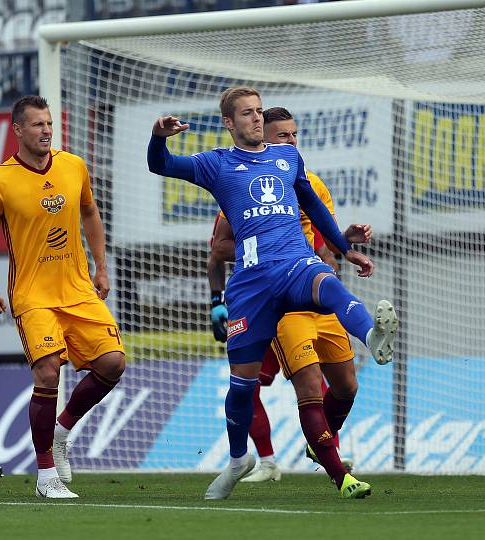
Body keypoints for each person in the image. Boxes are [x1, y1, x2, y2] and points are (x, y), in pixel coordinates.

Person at [147, 86, 398, 500]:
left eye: (259, 111)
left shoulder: (288, 157)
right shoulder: (216, 164)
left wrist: (345, 249)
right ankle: (238, 460)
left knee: (328, 285)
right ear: (229, 122)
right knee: (242, 386)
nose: (256, 119)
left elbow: (314, 208)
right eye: (247, 113)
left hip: (295, 264)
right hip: (251, 283)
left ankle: (372, 336)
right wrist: (158, 137)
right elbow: (162, 166)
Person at [0, 96, 127, 498]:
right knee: (48, 372)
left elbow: (90, 212)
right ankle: (46, 476)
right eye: (37, 125)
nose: (46, 131)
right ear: (17, 130)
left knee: (113, 363)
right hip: (33, 295)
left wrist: (101, 266)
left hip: (77, 289)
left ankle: (62, 430)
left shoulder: (73, 166)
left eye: (49, 123)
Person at [207, 107, 357, 484]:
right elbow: (218, 250)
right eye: (283, 136)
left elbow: (323, 244)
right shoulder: (242, 184)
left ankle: (320, 446)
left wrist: (344, 244)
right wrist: (218, 301)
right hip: (266, 298)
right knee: (260, 382)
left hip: (306, 290)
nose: (291, 142)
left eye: (295, 135)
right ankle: (273, 460)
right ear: (264, 140)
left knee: (341, 385)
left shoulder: (311, 184)